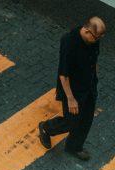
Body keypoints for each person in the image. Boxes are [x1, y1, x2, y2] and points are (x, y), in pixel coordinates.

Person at [39, 17, 106, 160]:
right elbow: (64, 75)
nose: (99, 40)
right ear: (87, 31)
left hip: (89, 86)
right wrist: (70, 99)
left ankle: (74, 147)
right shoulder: (69, 42)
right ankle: (46, 128)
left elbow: (94, 60)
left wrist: (95, 80)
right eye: (97, 37)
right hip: (72, 90)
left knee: (86, 119)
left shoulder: (94, 39)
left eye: (101, 37)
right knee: (71, 122)